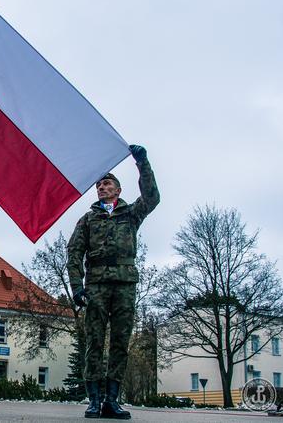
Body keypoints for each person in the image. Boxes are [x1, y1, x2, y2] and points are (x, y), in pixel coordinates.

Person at [66, 145, 159, 419]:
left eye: (107, 184)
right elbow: (73, 252)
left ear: (117, 189)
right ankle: (94, 400)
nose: (101, 188)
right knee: (94, 341)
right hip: (95, 285)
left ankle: (112, 401)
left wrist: (142, 163)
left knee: (120, 342)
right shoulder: (88, 219)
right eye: (99, 185)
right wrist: (76, 286)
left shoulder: (131, 214)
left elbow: (152, 197)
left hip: (124, 285)